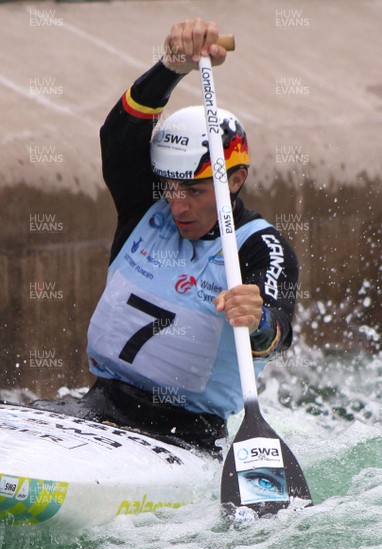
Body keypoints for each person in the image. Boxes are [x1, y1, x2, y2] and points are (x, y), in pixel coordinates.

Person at [35, 19, 299, 456]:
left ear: (235, 180)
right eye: (170, 187)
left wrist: (258, 321)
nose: (176, 206)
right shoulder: (146, 209)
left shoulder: (260, 246)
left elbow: (279, 333)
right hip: (96, 407)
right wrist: (171, 68)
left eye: (194, 191)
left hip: (184, 439)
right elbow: (118, 138)